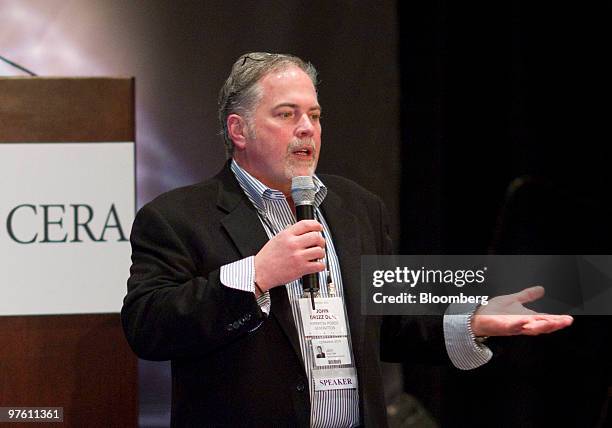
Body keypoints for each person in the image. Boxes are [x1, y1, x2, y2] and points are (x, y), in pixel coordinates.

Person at [121, 52, 573, 427]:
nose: (307, 128)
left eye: (314, 115)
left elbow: (394, 322)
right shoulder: (178, 217)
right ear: (239, 130)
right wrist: (256, 275)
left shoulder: (357, 207)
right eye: (286, 114)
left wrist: (473, 320)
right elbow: (149, 327)